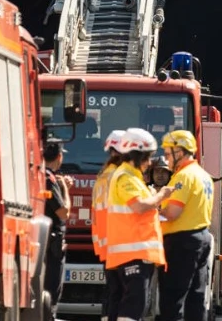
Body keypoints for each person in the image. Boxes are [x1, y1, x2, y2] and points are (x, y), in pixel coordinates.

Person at [104, 128, 174, 321]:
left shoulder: (131, 176)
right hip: (133, 253)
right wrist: (161, 196)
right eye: (148, 157)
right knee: (133, 306)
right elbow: (140, 206)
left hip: (133, 252)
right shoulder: (126, 177)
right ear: (138, 155)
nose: (150, 162)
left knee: (130, 305)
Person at [157, 131, 214, 321]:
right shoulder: (204, 175)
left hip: (181, 242)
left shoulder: (183, 177)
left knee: (173, 298)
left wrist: (156, 207)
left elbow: (173, 213)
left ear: (179, 152)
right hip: (201, 237)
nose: (166, 158)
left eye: (167, 154)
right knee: (196, 298)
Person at [94, 130, 126, 321]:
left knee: (112, 293)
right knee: (123, 295)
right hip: (121, 242)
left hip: (107, 244)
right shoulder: (120, 177)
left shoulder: (103, 175)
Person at [42, 141, 69, 313]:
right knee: (51, 291)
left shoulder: (41, 176)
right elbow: (64, 212)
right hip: (52, 244)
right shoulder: (49, 179)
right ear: (59, 157)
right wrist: (65, 188)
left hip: (45, 242)